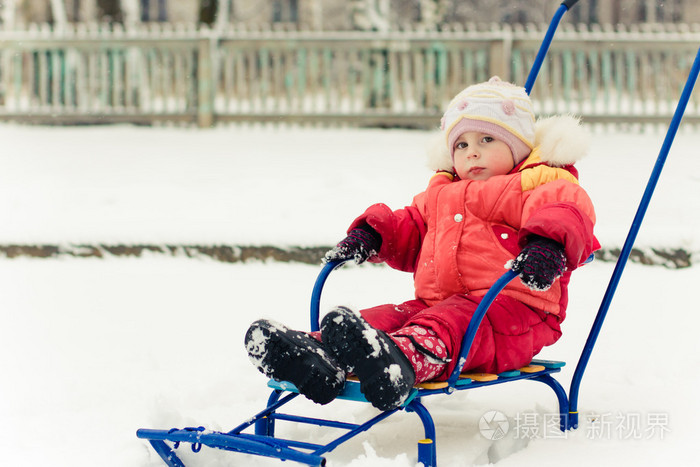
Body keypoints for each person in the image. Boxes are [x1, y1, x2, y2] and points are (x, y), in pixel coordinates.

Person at [244, 76, 600, 411]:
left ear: (519, 148)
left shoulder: (541, 183)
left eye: (487, 140)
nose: (471, 153)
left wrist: (547, 247)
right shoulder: (441, 192)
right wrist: (375, 234)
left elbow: (567, 213)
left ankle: (398, 363)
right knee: (388, 316)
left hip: (514, 315)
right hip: (435, 305)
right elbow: (411, 227)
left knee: (447, 322)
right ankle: (318, 354)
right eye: (461, 144)